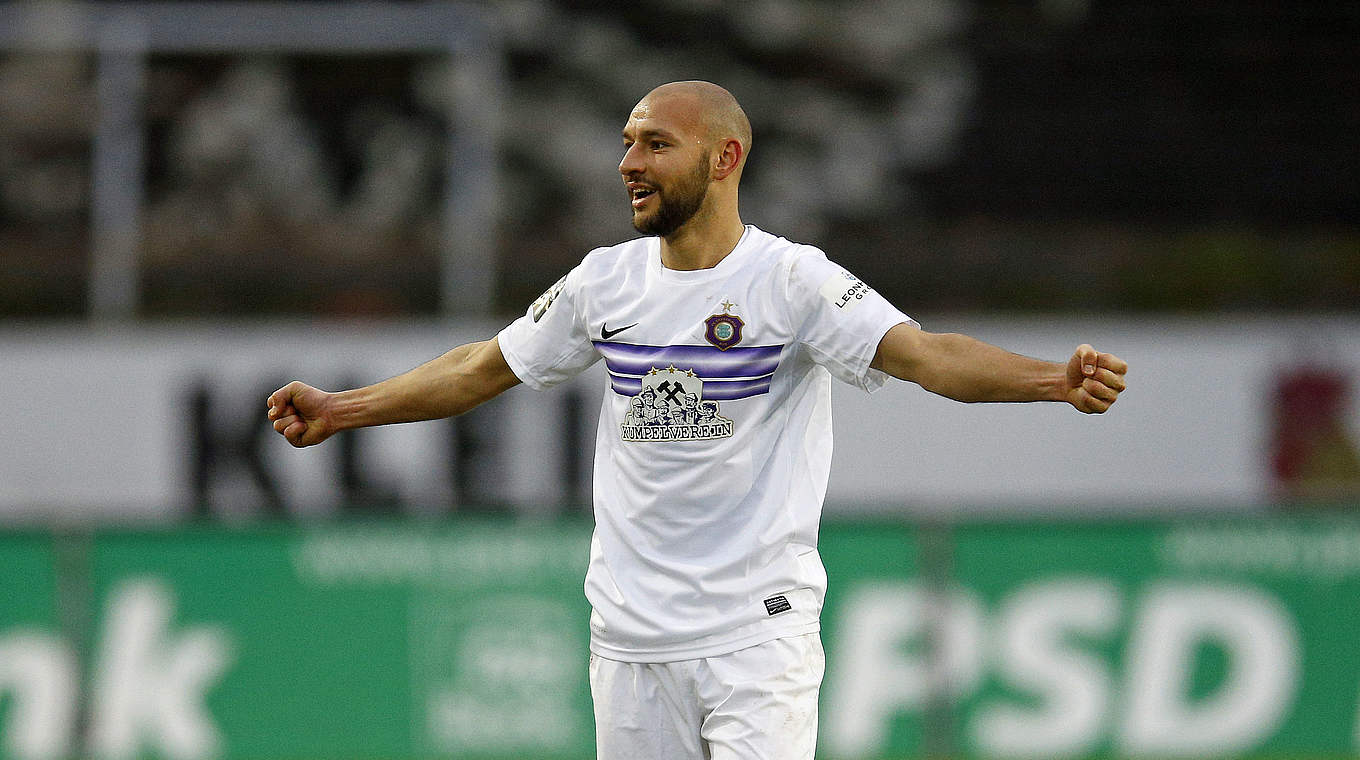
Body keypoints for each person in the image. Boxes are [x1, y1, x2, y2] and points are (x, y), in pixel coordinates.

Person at [267, 80, 1127, 760]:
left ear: (724, 159)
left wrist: (1053, 379)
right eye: (627, 142)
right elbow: (481, 368)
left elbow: (930, 356)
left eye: (655, 143)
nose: (628, 163)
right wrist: (345, 409)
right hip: (630, 641)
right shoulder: (605, 281)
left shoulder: (794, 282)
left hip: (756, 636)